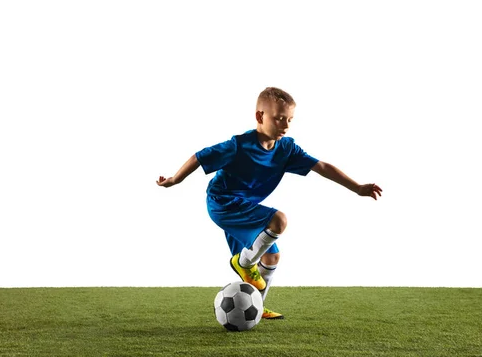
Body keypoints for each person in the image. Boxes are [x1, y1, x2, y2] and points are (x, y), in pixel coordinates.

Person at [157, 87, 382, 320]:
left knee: (272, 258)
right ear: (259, 117)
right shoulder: (239, 145)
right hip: (222, 204)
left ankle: (255, 307)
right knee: (278, 221)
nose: (285, 125)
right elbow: (199, 157)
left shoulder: (286, 149)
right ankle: (243, 262)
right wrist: (174, 180)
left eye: (289, 120)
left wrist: (357, 188)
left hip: (247, 209)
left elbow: (321, 167)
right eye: (279, 118)